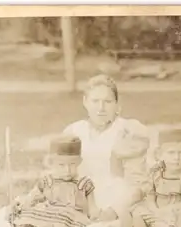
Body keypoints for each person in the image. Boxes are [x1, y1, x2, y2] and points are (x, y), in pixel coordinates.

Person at [62, 74, 149, 212]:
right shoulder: (74, 131)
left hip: (118, 200)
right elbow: (61, 173)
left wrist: (115, 210)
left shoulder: (127, 131)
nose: (101, 108)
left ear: (116, 104)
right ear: (85, 102)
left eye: (107, 102)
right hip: (80, 198)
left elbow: (137, 183)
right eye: (95, 101)